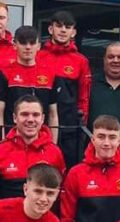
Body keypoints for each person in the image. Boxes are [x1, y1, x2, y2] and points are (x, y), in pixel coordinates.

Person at [38, 11, 91, 168]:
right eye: (59, 26)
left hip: (69, 125)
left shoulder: (80, 61)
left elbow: (84, 94)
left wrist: (82, 120)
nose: (63, 30)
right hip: (40, 122)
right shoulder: (38, 56)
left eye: (67, 27)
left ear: (73, 32)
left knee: (68, 166)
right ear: (50, 29)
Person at [0, 25, 60, 144]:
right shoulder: (4, 74)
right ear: (14, 45)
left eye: (32, 43)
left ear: (38, 46)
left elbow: (53, 115)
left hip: (42, 142)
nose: (28, 47)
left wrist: (53, 146)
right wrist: (2, 144)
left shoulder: (50, 74)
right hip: (12, 141)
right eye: (23, 43)